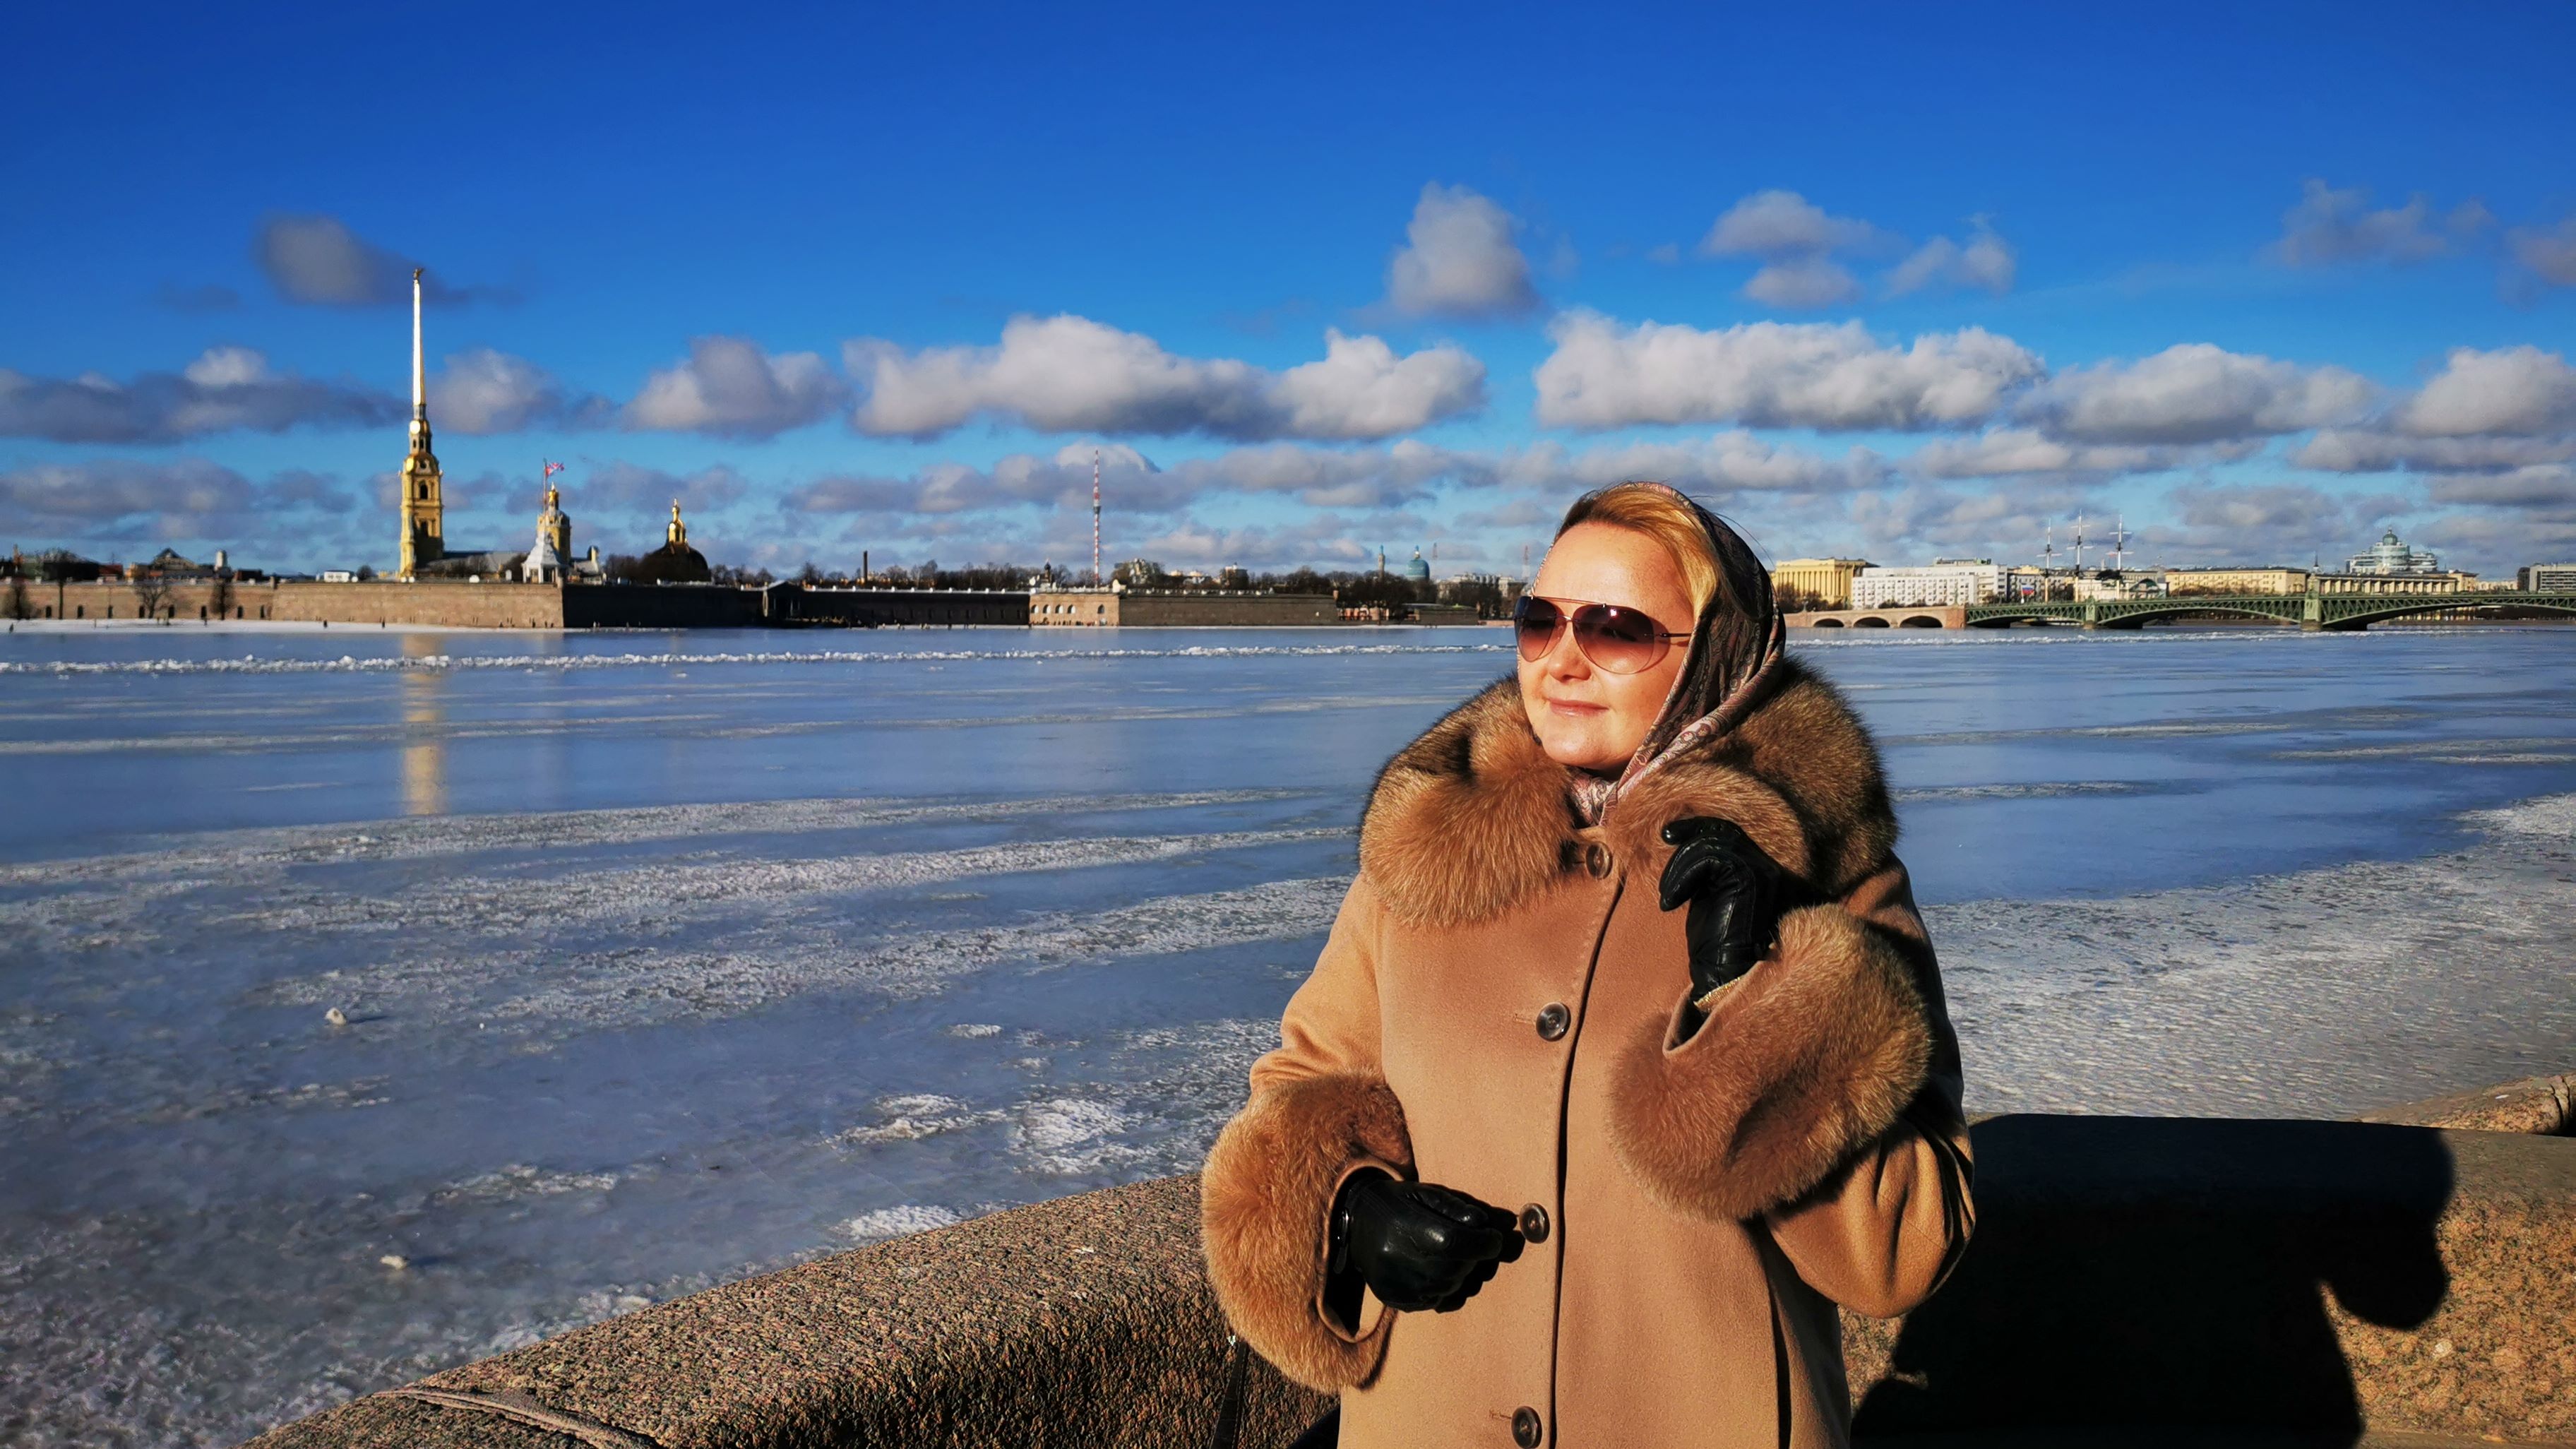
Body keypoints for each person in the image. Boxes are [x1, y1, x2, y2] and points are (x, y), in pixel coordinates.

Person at [1200, 482, 1972, 1448]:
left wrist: (1760, 1002)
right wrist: (1350, 1206)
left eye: (1616, 629)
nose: (1561, 660)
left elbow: (1904, 1253)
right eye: (1540, 620)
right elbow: (1301, 1085)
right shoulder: (1427, 852)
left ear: (1720, 658)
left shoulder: (1821, 867)